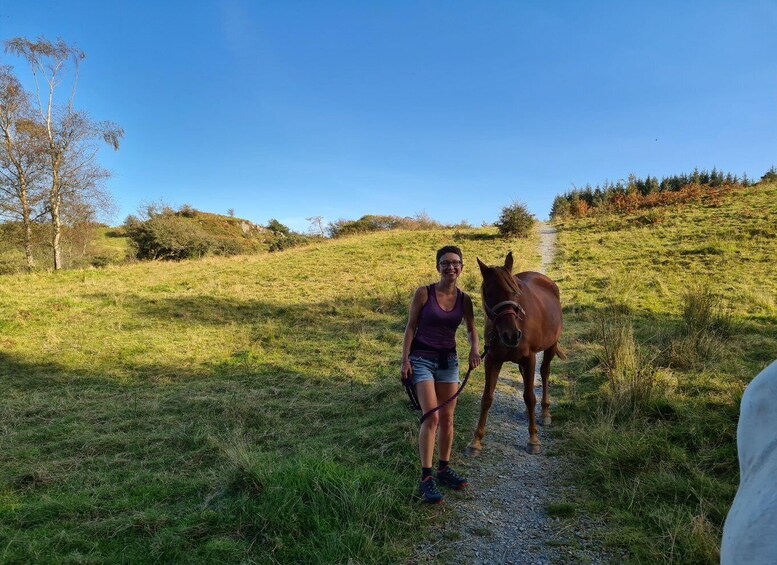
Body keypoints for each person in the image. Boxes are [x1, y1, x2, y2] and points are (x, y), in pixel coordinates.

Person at [401, 245, 481, 503]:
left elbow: (471, 329)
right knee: (431, 417)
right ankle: (426, 477)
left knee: (448, 418)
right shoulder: (424, 293)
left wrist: (474, 349)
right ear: (438, 267)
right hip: (422, 359)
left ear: (461, 267)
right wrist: (405, 360)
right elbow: (411, 326)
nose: (451, 267)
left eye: (455, 263)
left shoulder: (464, 299)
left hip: (449, 362)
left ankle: (444, 468)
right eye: (445, 263)